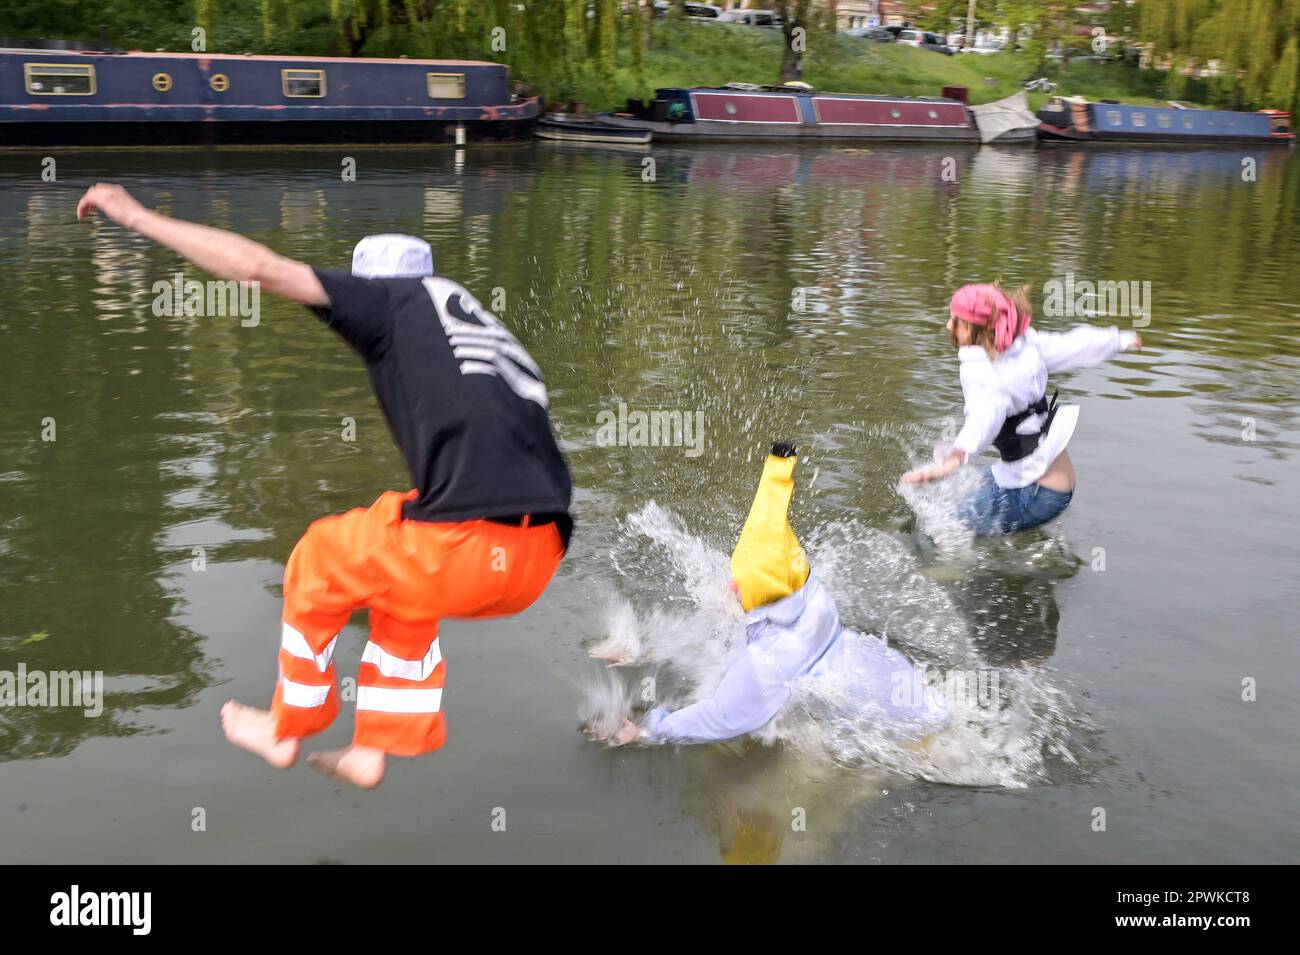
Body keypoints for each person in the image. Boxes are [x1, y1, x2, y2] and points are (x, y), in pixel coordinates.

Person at [77, 183, 572, 789]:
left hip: (465, 553)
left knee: (321, 553)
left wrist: (137, 217)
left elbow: (259, 269)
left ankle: (286, 728)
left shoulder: (387, 302)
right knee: (398, 549)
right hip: (534, 562)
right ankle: (374, 747)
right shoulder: (476, 327)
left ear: (363, 285)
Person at [595, 443, 949, 746]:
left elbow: (720, 718)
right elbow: (770, 514)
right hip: (900, 684)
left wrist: (645, 732)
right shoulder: (811, 595)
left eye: (741, 581)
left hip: (902, 740)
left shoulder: (771, 663)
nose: (732, 585)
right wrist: (779, 465)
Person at [901, 282, 1141, 535]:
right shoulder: (1027, 344)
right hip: (1054, 484)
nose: (949, 326)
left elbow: (984, 418)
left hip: (1036, 493)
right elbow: (1073, 344)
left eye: (956, 321)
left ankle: (943, 573)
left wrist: (954, 459)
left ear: (976, 328)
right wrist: (1118, 340)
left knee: (935, 528)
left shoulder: (984, 374)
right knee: (961, 494)